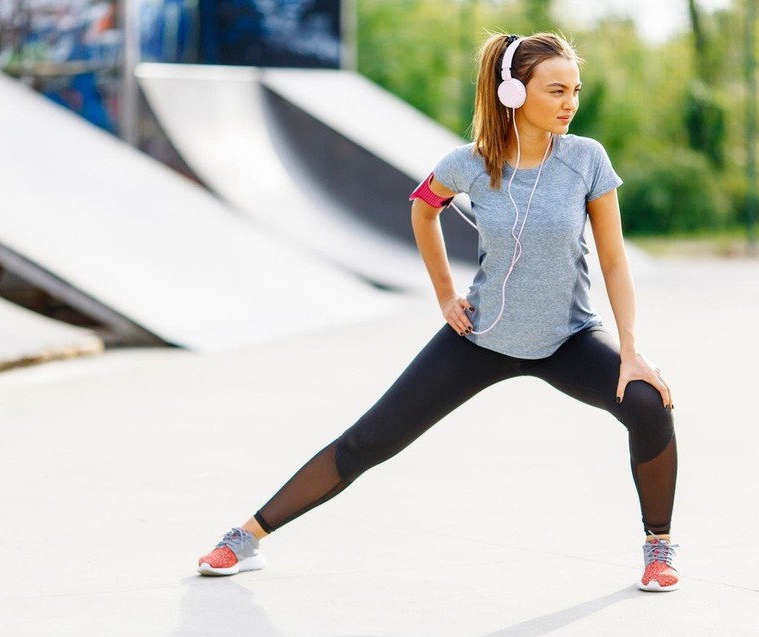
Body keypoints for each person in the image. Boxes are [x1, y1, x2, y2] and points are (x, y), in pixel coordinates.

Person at [198, 32, 680, 592]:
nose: (571, 102)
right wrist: (446, 295)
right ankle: (246, 537)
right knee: (370, 439)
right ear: (514, 93)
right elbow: (423, 210)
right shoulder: (470, 165)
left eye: (575, 89)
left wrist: (630, 350)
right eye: (556, 90)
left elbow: (615, 261)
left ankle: (659, 548)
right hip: (481, 337)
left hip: (566, 338)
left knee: (649, 403)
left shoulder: (586, 160)